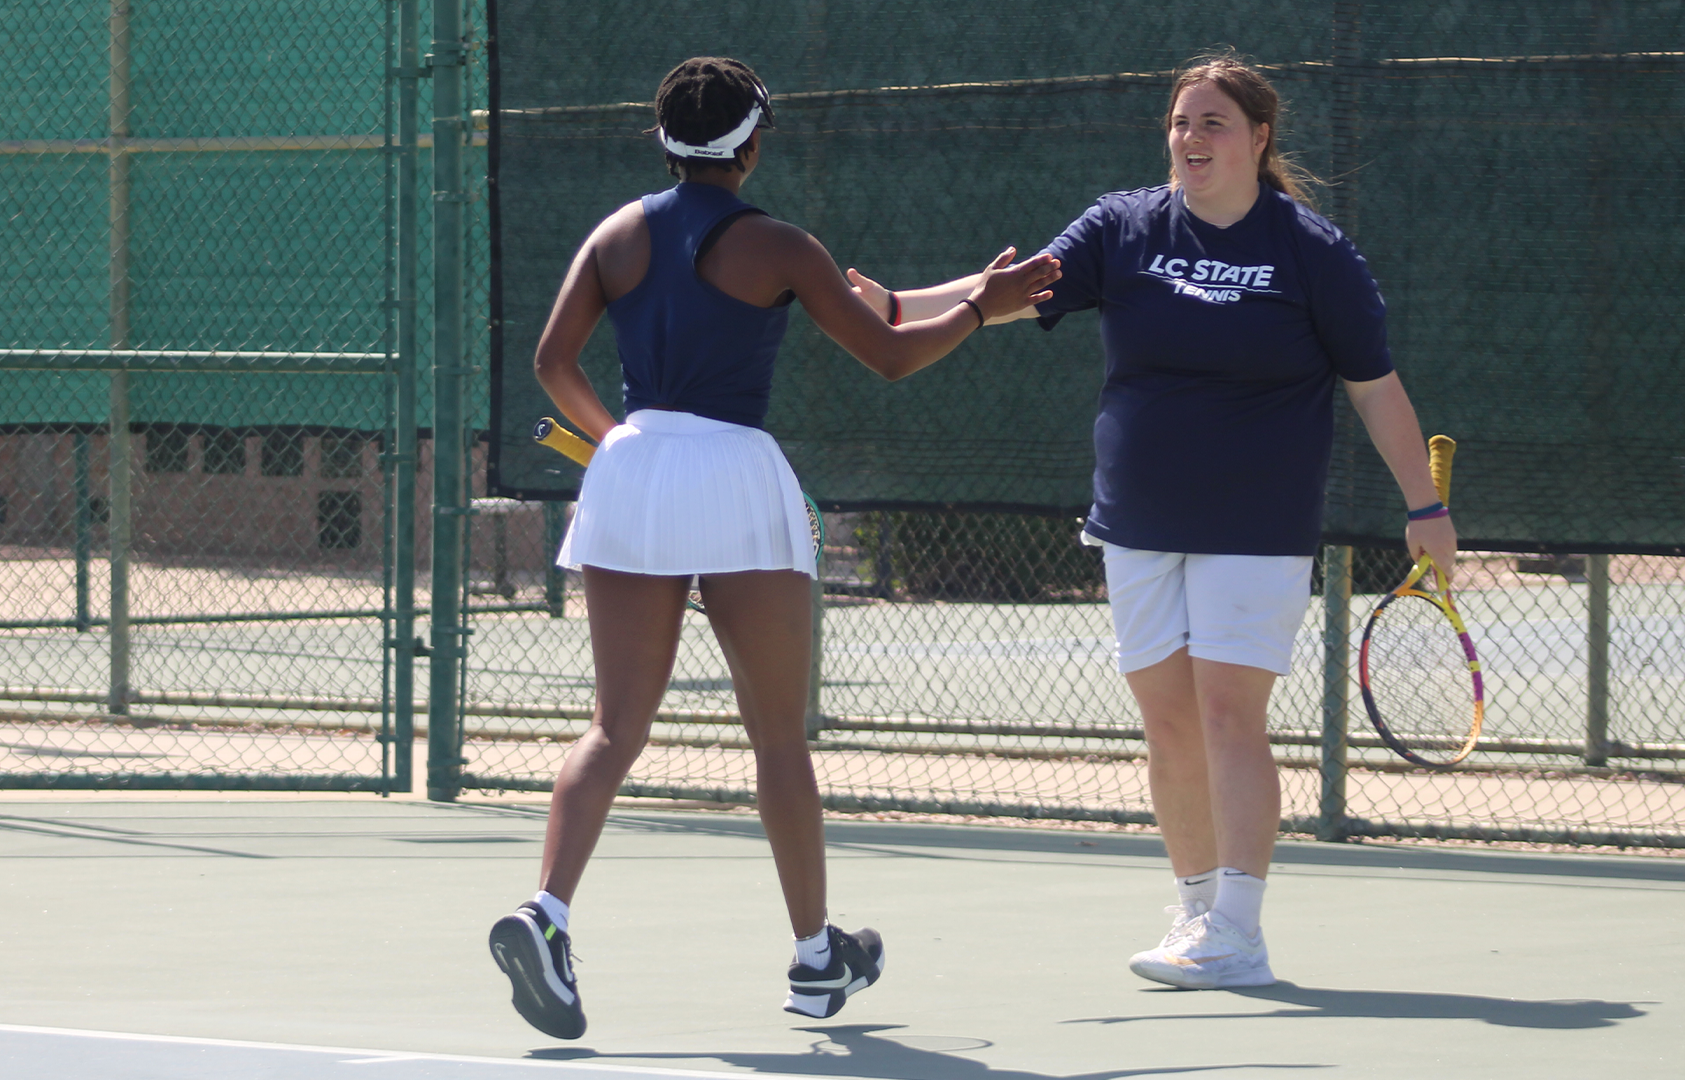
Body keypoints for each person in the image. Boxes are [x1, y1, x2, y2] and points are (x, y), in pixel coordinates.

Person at [847, 52, 1456, 990]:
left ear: (1258, 139)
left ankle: (1240, 932)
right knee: (1168, 724)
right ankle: (1198, 912)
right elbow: (1010, 290)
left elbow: (1375, 389)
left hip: (1256, 522)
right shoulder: (1121, 226)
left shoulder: (1315, 253)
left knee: (1226, 713)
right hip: (1136, 518)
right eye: (1180, 123)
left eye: (1213, 123)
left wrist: (1425, 504)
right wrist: (894, 306)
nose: (1190, 139)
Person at [487, 56, 1060, 1039]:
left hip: (632, 473)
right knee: (779, 738)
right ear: (753, 146)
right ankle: (813, 962)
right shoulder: (780, 245)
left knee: (613, 729)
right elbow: (885, 351)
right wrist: (978, 311)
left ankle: (545, 916)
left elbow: (552, 362)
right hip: (734, 479)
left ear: (665, 140)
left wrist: (619, 444)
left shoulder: (616, 233)